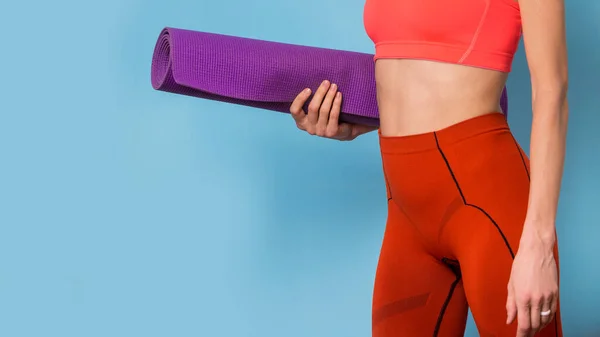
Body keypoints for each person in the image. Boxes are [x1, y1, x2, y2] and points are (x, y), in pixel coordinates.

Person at [288, 0, 568, 336]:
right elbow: (411, 66)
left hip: (488, 204)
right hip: (405, 213)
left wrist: (538, 244)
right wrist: (359, 118)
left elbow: (553, 92)